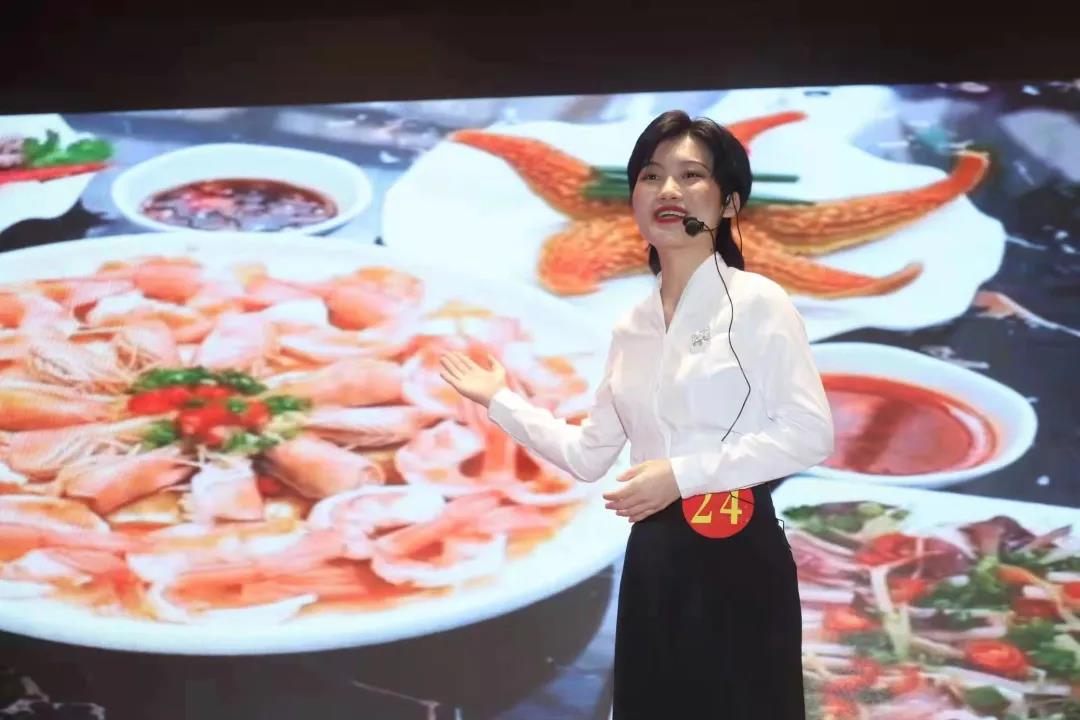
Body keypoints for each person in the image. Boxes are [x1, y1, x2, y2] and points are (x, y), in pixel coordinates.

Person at [439, 110, 834, 719]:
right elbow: (588, 455)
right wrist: (499, 399)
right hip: (654, 554)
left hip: (735, 544)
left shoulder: (757, 302)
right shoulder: (632, 325)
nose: (668, 189)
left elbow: (809, 434)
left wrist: (680, 475)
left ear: (730, 203)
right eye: (651, 176)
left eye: (691, 175)